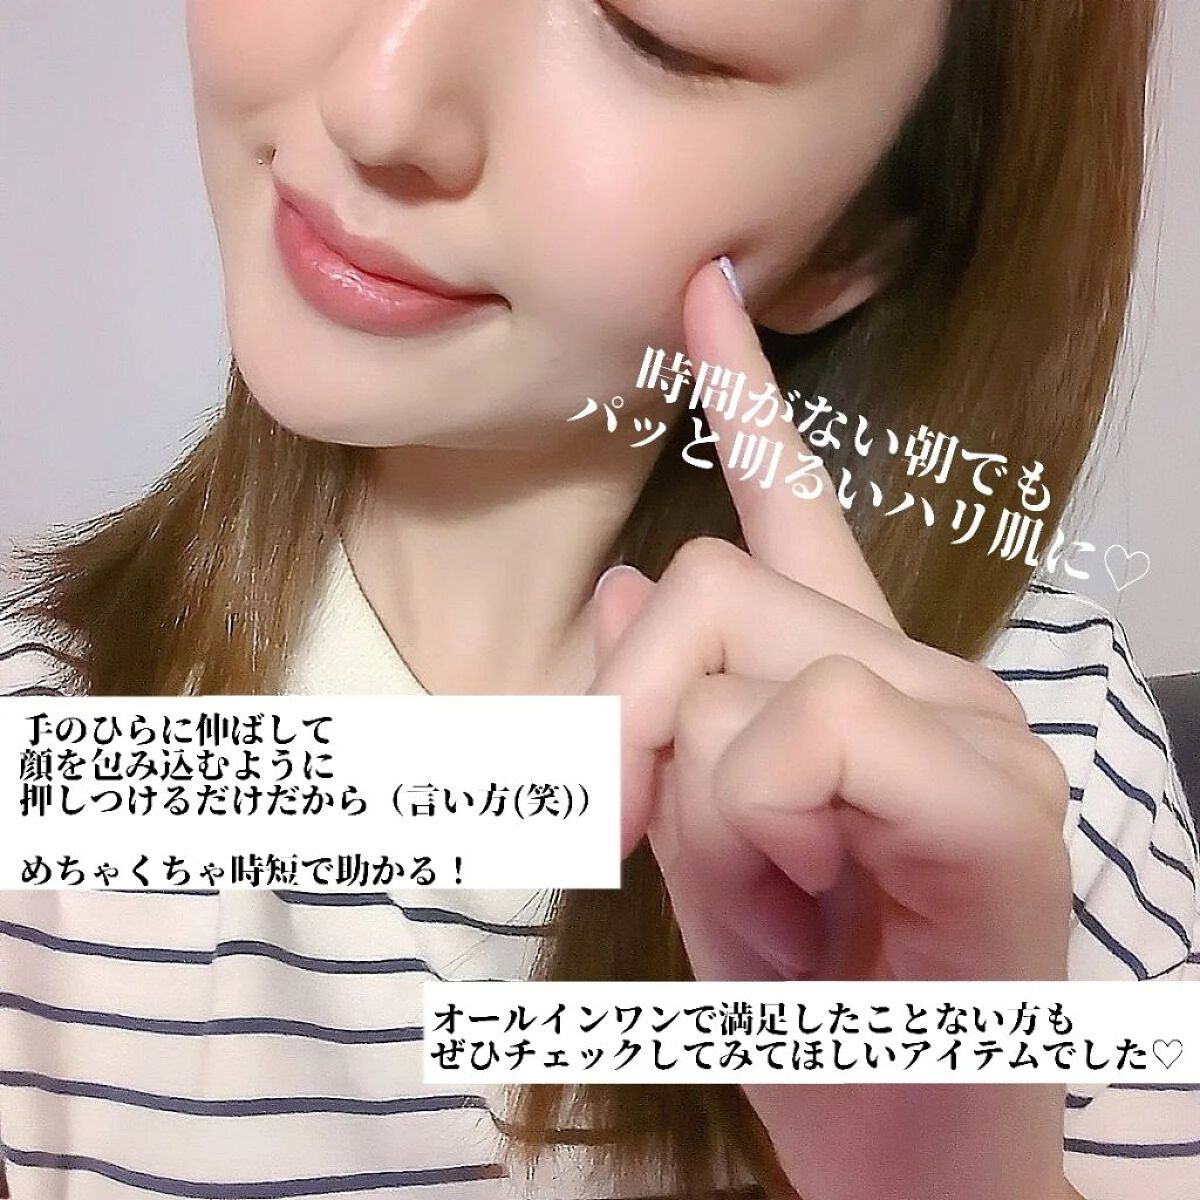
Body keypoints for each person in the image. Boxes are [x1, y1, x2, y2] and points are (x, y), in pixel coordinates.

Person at [1, 0, 1196, 1197]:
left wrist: (950, 1175)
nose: (378, 103)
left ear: (860, 234)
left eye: (649, 32)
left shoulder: (1047, 770)